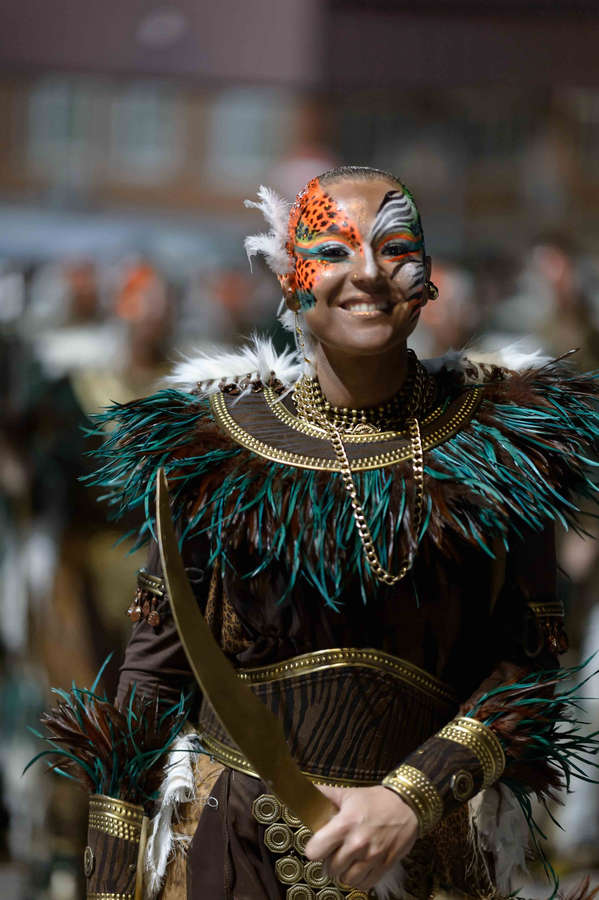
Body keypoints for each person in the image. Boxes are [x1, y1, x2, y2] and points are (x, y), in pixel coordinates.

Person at [43, 166, 599, 900]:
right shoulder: (214, 446)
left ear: (428, 278)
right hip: (233, 854)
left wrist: (411, 797)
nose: (367, 272)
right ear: (288, 279)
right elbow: (148, 686)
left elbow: (527, 672)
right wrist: (111, 886)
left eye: (395, 248)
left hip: (424, 860)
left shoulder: (503, 442)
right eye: (333, 250)